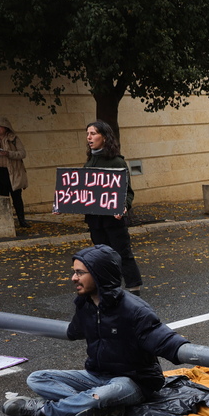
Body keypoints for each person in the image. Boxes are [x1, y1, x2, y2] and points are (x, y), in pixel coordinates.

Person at [2, 245, 187, 416]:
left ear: (100, 275)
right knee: (36, 378)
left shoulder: (135, 310)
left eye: (80, 273)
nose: (74, 278)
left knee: (104, 394)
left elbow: (163, 339)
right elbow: (74, 331)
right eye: (74, 272)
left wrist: (188, 350)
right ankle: (93, 405)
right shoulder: (86, 304)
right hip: (97, 376)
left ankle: (44, 409)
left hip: (134, 382)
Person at [80, 121, 141, 291]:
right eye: (87, 134)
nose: (89, 137)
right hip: (95, 220)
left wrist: (124, 206)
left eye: (93, 134)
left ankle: (133, 286)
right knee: (100, 254)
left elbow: (128, 192)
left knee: (122, 253)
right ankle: (108, 285)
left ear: (105, 138)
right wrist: (64, 204)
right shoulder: (89, 162)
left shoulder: (117, 162)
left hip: (113, 219)